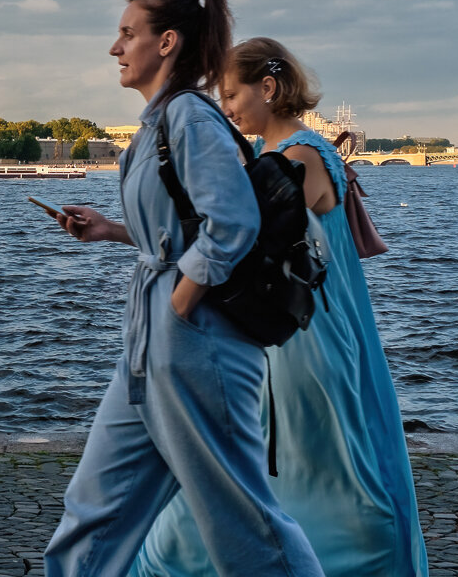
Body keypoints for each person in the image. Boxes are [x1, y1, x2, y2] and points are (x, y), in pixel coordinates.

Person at [43, 0, 323, 577]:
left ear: (166, 42)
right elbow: (182, 229)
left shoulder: (188, 115)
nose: (114, 48)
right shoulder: (155, 126)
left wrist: (180, 301)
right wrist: (112, 230)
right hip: (151, 342)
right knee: (93, 513)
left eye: (127, 33)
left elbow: (234, 220)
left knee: (244, 525)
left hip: (196, 342)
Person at [130, 37, 428, 576]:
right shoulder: (296, 155)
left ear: (267, 88)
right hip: (302, 334)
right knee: (299, 462)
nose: (225, 108)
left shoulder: (300, 158)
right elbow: (224, 236)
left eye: (231, 95)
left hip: (304, 341)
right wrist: (116, 231)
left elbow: (239, 241)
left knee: (314, 465)